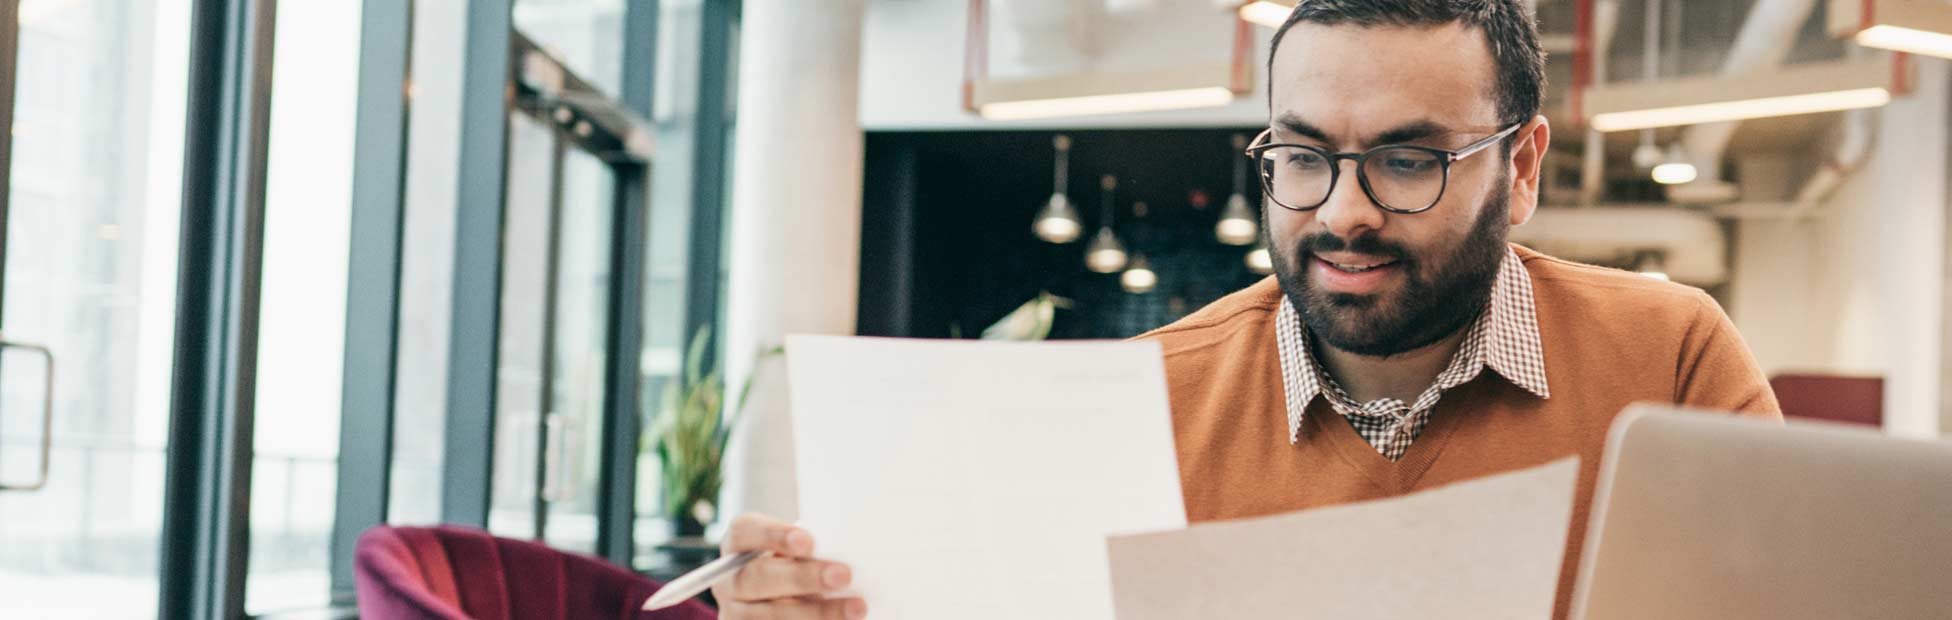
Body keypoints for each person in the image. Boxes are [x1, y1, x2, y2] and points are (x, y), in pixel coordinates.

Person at [709, 1, 1781, 618]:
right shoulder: (1142, 398)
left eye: (1407, 159)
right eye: (1301, 156)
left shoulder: (1666, 357)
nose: (1342, 213)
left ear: (1523, 165)